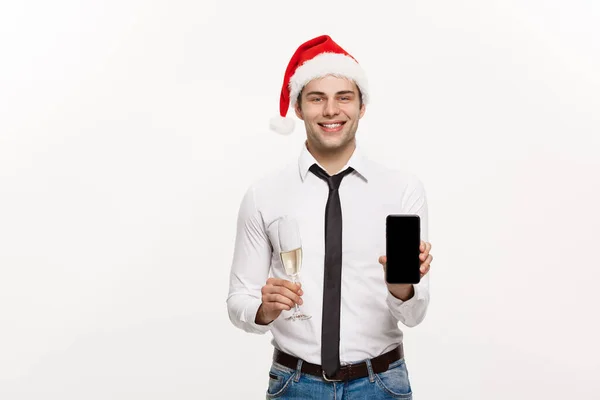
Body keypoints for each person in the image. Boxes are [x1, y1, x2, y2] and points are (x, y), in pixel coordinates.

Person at [226, 35, 434, 399]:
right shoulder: (265, 194)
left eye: (344, 97)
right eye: (317, 98)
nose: (331, 110)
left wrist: (400, 287)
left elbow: (414, 316)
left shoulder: (401, 190)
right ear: (299, 108)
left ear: (361, 106)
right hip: (295, 384)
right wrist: (263, 308)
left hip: (381, 385)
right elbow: (237, 299)